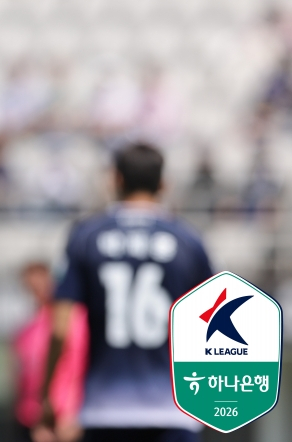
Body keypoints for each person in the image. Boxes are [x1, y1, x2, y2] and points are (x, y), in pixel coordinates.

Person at [36, 143, 213, 442]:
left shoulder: (86, 236)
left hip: (105, 411)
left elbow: (60, 329)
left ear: (115, 179)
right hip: (173, 410)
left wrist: (46, 396)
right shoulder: (188, 241)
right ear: (163, 184)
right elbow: (210, 325)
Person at [12, 261, 86, 442]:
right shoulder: (27, 329)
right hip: (31, 418)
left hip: (64, 418)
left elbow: (79, 367)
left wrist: (71, 411)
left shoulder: (75, 319)